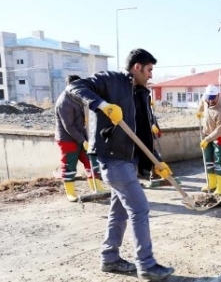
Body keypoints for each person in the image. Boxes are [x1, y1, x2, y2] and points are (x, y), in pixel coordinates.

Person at [66, 48, 175, 280]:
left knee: (120, 213)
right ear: (137, 67)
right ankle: (146, 264)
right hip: (113, 158)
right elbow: (74, 88)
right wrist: (101, 105)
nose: (151, 75)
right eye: (149, 70)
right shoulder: (110, 80)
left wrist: (156, 161)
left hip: (129, 160)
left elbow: (144, 131)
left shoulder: (141, 92)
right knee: (140, 209)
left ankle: (109, 258)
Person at [54, 74, 105, 202]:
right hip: (67, 139)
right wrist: (82, 141)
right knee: (69, 164)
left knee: (91, 161)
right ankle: (70, 193)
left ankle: (97, 187)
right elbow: (69, 127)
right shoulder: (64, 102)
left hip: (81, 137)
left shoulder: (78, 98)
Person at [195, 84, 221, 195]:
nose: (210, 101)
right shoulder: (206, 98)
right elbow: (203, 102)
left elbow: (220, 130)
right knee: (208, 159)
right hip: (207, 132)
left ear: (218, 95)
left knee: (219, 161)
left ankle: (220, 187)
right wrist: (199, 110)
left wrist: (207, 139)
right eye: (208, 98)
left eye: (212, 98)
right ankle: (211, 184)